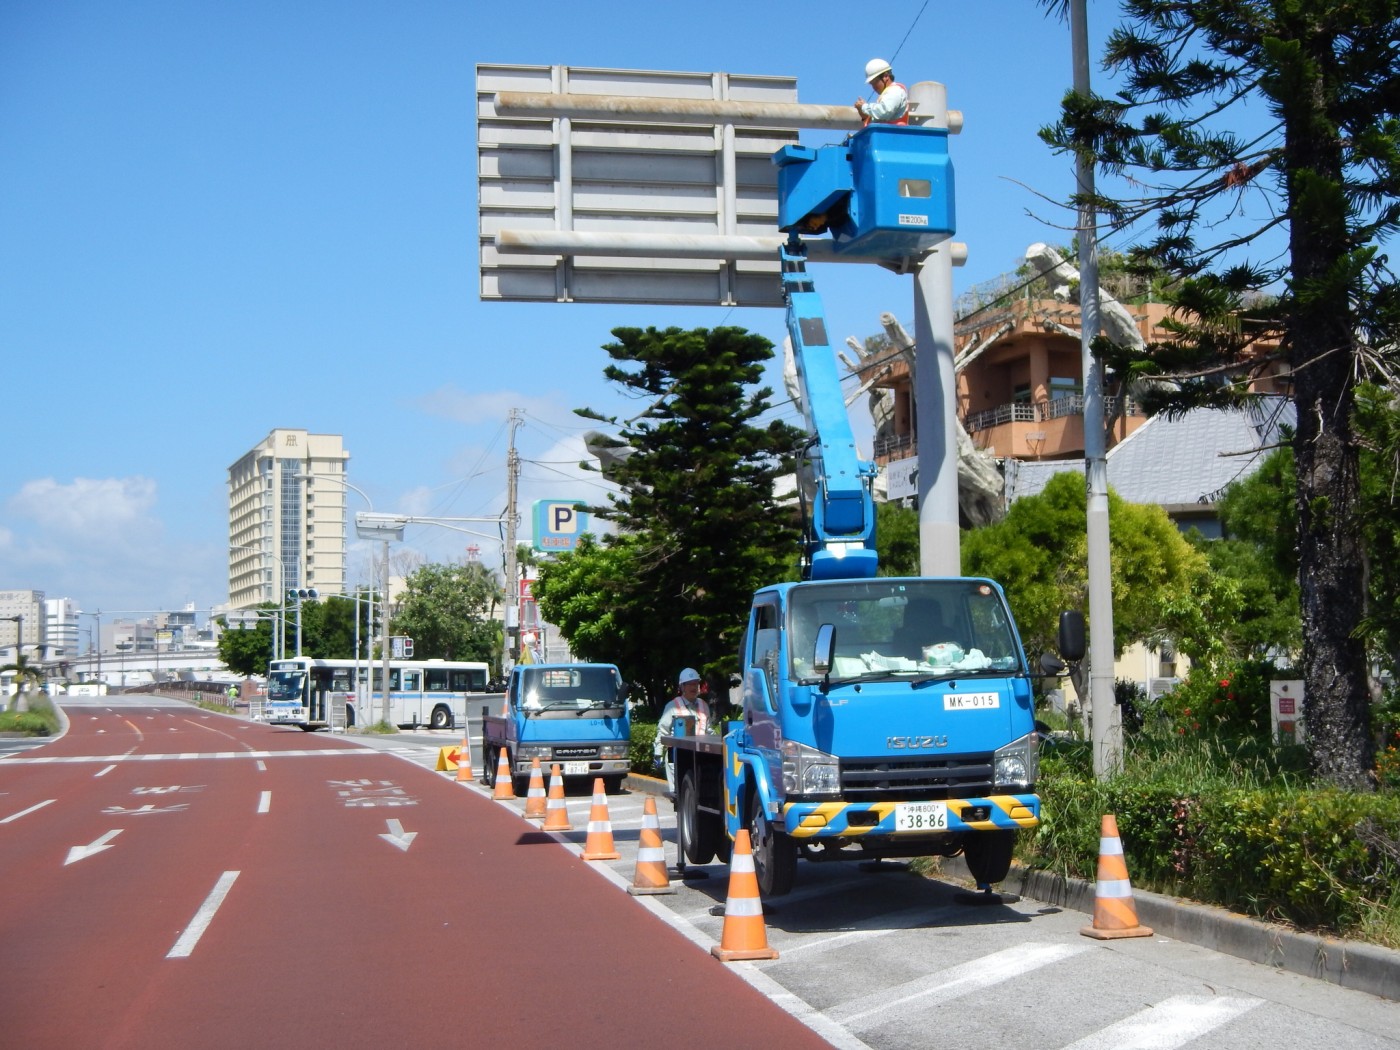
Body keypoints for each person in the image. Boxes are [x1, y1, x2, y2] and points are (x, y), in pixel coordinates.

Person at [654, 667, 712, 794]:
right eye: (690, 684)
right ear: (682, 687)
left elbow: (708, 731)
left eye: (696, 684)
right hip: (676, 755)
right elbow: (662, 731)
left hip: (700, 755)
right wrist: (658, 753)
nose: (693, 687)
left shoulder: (704, 706)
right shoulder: (672, 706)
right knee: (678, 793)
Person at [855, 58, 909, 127]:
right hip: (888, 135)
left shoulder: (895, 90)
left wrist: (864, 107)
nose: (874, 87)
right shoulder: (887, 95)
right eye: (871, 84)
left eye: (875, 82)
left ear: (886, 76)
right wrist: (865, 115)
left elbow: (885, 111)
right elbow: (879, 119)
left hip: (895, 135)